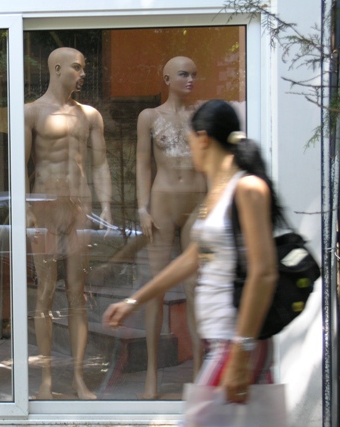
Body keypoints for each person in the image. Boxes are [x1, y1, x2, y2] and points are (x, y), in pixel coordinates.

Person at [104, 99, 281, 404]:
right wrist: (134, 301)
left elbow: (264, 272)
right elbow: (192, 258)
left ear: (203, 139)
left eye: (189, 142)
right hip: (222, 343)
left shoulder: (247, 188)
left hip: (236, 343)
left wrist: (242, 351)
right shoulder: (218, 194)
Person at [25, 47, 113, 400]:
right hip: (44, 208)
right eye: (77, 67)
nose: (82, 73)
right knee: (45, 291)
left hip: (79, 209)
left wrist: (106, 206)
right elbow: (20, 166)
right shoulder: (31, 112)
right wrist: (26, 209)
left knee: (78, 293)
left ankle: (78, 378)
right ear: (57, 68)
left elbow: (101, 164)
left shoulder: (90, 116)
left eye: (84, 67)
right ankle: (46, 379)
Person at [135, 56, 206, 398]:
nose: (190, 79)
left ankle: (199, 372)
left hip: (197, 203)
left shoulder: (201, 115)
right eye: (183, 74)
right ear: (166, 78)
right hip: (162, 203)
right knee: (156, 288)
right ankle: (151, 373)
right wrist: (141, 208)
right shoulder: (149, 117)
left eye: (193, 74)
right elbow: (142, 163)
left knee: (195, 288)